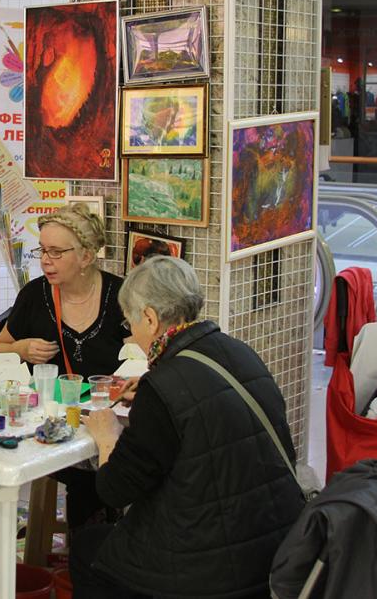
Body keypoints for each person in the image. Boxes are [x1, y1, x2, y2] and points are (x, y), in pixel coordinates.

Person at [75, 256, 304, 599]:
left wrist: (108, 437)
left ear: (150, 318)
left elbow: (115, 490)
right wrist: (153, 387)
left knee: (87, 550)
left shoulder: (162, 389)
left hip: (207, 571)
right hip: (278, 546)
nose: (131, 334)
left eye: (130, 322)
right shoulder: (239, 352)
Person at [0, 203, 128, 530]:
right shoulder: (34, 295)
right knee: (84, 481)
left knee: (97, 478)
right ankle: (90, 548)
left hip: (110, 423)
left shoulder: (121, 295)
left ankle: (94, 545)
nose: (45, 260)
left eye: (56, 252)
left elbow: (144, 360)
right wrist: (22, 349)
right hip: (54, 427)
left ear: (86, 256)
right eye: (42, 250)